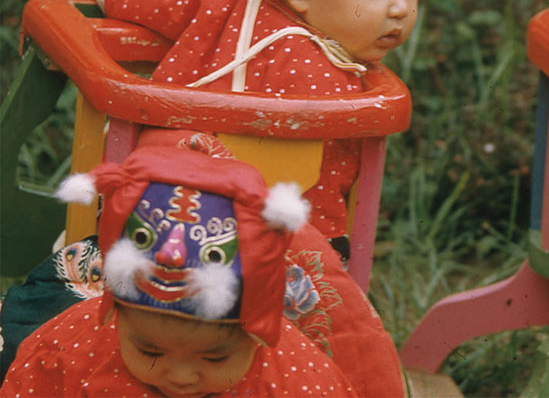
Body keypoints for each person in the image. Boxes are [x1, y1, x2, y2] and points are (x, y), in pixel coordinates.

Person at [89, 0, 436, 262]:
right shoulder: (334, 85)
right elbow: (319, 194)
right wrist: (329, 255)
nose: (400, 6)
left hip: (160, 216)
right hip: (272, 253)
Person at [0, 146, 357, 396]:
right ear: (116, 316)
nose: (182, 377)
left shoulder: (299, 382)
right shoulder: (68, 352)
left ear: (259, 330)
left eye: (216, 357)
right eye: (151, 353)